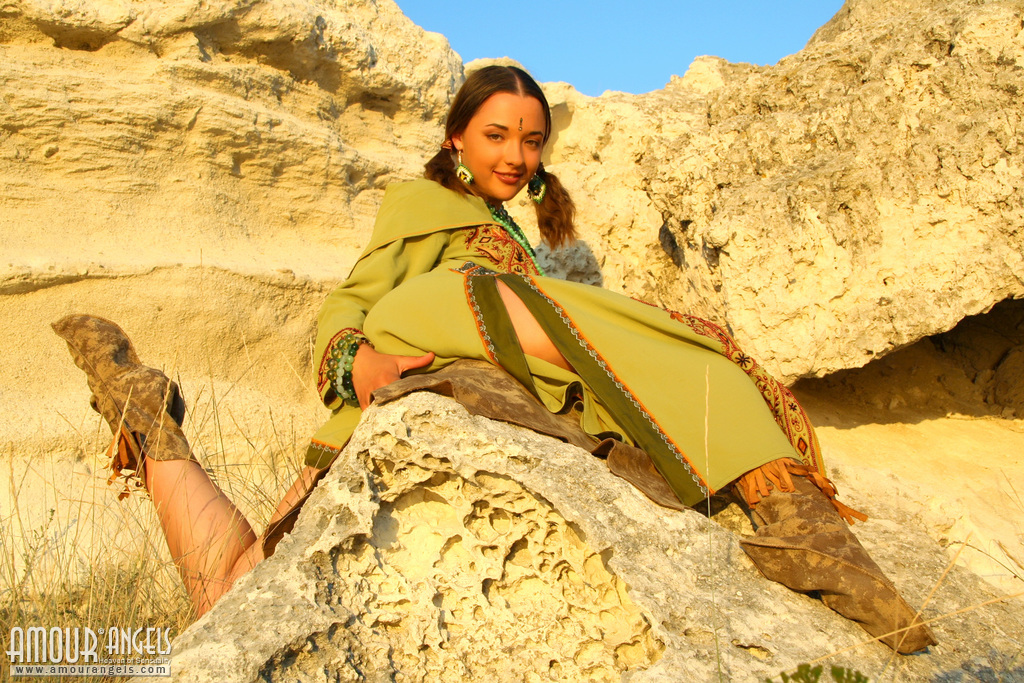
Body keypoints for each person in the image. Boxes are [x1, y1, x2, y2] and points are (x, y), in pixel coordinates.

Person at [56, 65, 936, 653]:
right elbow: (349, 306)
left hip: (475, 335)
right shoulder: (417, 204)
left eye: (532, 140)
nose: (517, 156)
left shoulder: (512, 232)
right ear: (456, 141)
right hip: (412, 342)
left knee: (230, 591)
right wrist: (356, 364)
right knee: (661, 341)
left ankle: (144, 410)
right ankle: (784, 508)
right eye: (497, 136)